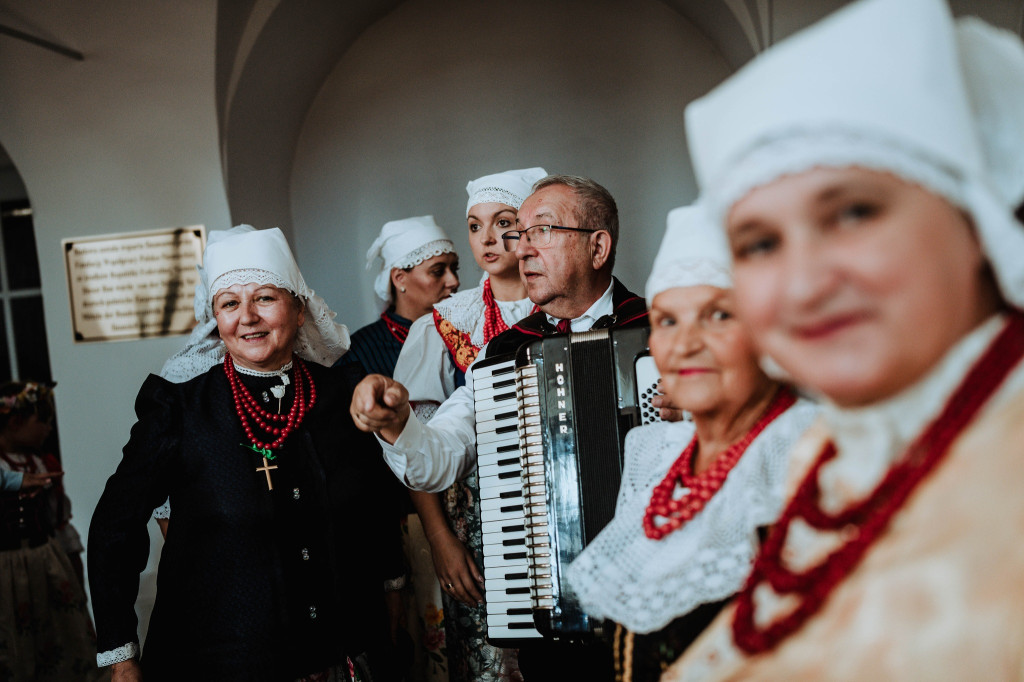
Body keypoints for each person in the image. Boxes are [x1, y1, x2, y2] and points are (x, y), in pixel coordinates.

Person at [659, 0, 1024, 678]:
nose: (803, 285)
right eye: (759, 242)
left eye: (853, 211)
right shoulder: (826, 458)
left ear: (974, 220)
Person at [351, 174, 651, 681]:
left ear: (598, 246)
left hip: (656, 606)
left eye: (543, 231)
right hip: (551, 608)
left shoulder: (663, 334)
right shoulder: (503, 354)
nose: (523, 248)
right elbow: (441, 455)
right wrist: (400, 426)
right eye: (522, 233)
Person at [88, 225, 404, 682]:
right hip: (222, 659)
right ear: (215, 318)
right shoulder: (179, 409)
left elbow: (373, 501)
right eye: (230, 304)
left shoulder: (340, 393)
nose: (248, 317)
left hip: (344, 650)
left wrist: (391, 590)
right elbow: (113, 526)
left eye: (265, 299)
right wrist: (120, 655)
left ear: (299, 309)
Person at [565, 206, 818, 681]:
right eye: (666, 322)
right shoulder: (656, 456)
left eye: (718, 315)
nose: (684, 345)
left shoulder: (802, 451)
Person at [393, 167, 546, 682]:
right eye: (476, 226)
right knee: (488, 657)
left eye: (506, 222)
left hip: (552, 508)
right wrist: (440, 538)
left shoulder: (559, 307)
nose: (489, 239)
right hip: (472, 522)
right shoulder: (443, 323)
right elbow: (422, 442)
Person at [337, 214, 460, 682]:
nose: (452, 281)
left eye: (454, 269)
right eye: (438, 270)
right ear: (400, 279)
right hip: (402, 522)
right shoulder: (362, 353)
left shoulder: (464, 330)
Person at [0, 381, 105, 682]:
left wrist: (72, 561)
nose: (48, 428)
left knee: (59, 635)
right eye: (42, 421)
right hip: (5, 565)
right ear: (15, 421)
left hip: (44, 560)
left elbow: (56, 519)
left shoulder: (41, 463)